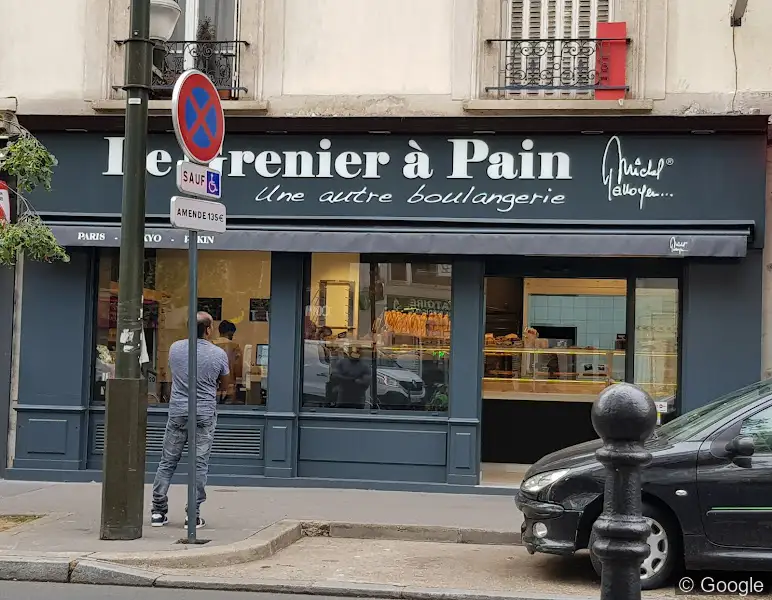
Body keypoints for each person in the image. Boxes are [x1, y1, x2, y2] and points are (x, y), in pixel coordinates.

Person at [150, 311, 229, 529]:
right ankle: (192, 515)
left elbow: (176, 373)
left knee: (167, 462)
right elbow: (225, 384)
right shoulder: (218, 354)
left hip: (177, 411)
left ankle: (158, 511)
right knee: (199, 465)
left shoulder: (175, 348)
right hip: (203, 412)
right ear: (209, 329)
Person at [329, 343, 371, 409]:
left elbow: (366, 381)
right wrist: (353, 380)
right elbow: (334, 376)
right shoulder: (342, 363)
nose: (356, 353)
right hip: (343, 396)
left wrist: (349, 379)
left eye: (358, 351)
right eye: (354, 351)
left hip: (358, 397)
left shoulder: (364, 366)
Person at [213, 320, 243, 404]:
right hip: (229, 388)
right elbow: (238, 370)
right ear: (231, 333)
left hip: (212, 388)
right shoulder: (235, 347)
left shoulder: (210, 345)